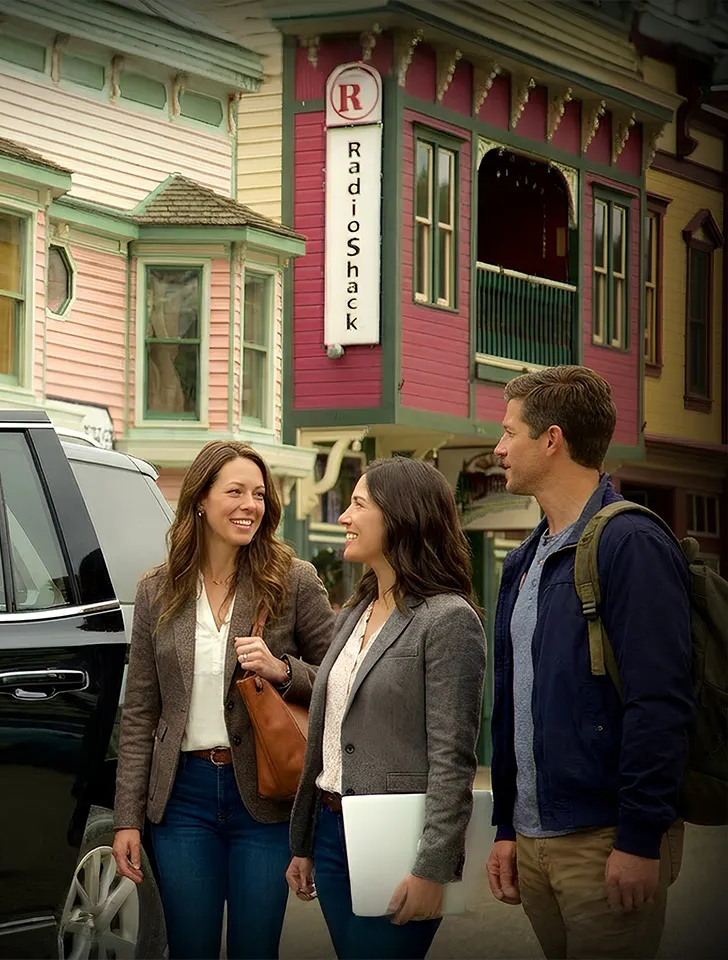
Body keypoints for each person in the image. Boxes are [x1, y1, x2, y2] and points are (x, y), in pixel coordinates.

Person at [484, 366, 692, 959]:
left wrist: (639, 838)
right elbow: (515, 703)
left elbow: (660, 701)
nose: (498, 448)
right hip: (533, 840)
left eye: (509, 432)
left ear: (551, 439)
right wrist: (507, 827)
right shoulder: (524, 559)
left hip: (605, 841)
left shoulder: (632, 544)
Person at [112, 441, 335, 959]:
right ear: (200, 499)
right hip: (182, 799)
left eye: (259, 494)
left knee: (255, 948)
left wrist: (282, 670)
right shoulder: (157, 589)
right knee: (190, 948)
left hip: (264, 796)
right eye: (235, 492)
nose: (249, 505)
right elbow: (140, 711)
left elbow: (338, 678)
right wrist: (128, 817)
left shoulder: (292, 580)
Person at [286, 457, 486, 960]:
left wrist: (432, 868)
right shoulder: (353, 612)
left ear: (400, 516)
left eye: (358, 504)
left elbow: (453, 759)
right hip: (332, 834)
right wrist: (305, 843)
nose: (344, 517)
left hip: (398, 843)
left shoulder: (448, 619)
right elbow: (329, 734)